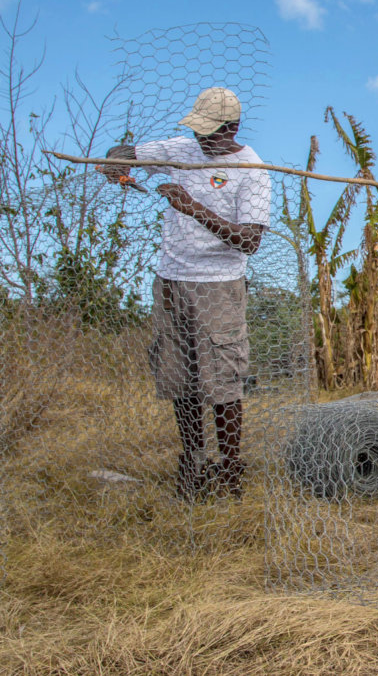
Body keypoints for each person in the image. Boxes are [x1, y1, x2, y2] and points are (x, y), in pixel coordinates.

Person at [99, 87, 271, 500]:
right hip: (171, 280)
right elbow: (124, 152)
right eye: (198, 131)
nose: (201, 140)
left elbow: (250, 241)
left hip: (218, 286)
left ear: (233, 128)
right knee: (182, 378)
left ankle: (230, 473)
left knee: (222, 383)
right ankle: (193, 465)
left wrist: (192, 206)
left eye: (210, 133)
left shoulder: (252, 169)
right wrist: (115, 165)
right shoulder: (180, 147)